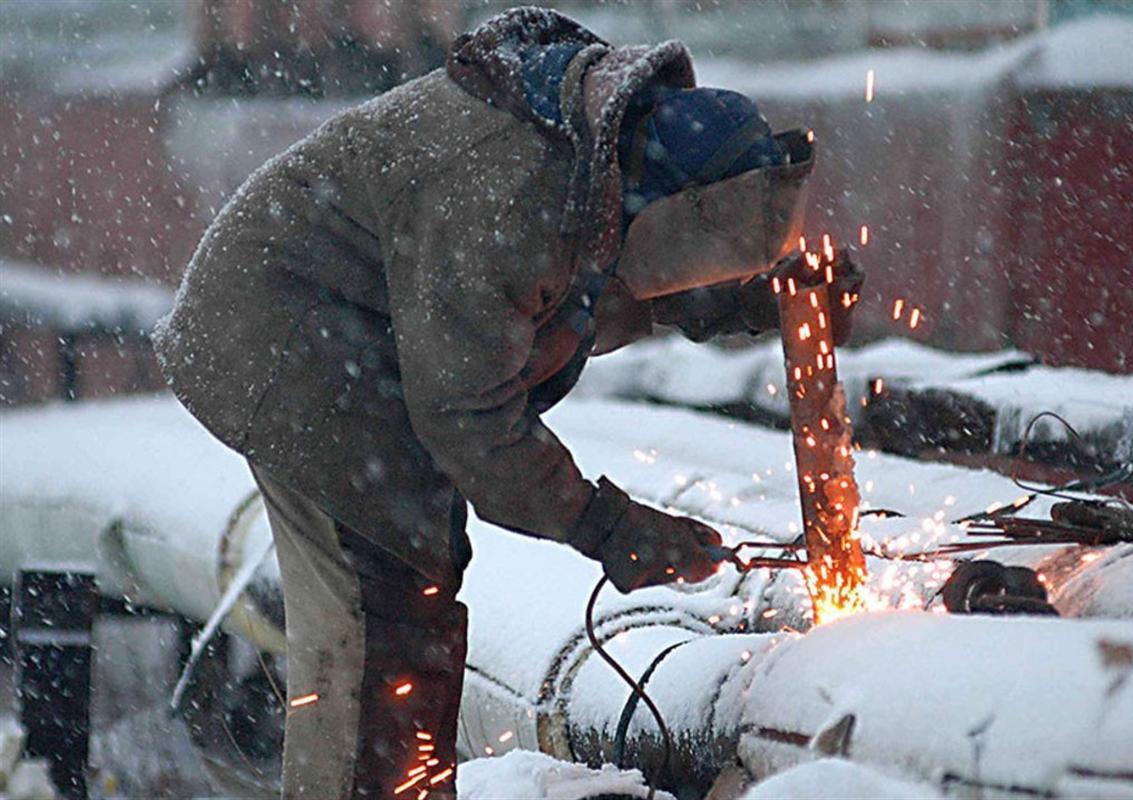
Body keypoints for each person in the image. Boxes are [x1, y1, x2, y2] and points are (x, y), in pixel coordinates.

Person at [154, 8, 857, 798]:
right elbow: (468, 414)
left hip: (361, 334)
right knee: (380, 611)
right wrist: (606, 526)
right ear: (659, 200)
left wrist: (733, 301)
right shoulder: (510, 191)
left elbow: (590, 288)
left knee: (414, 588)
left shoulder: (600, 161)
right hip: (291, 342)